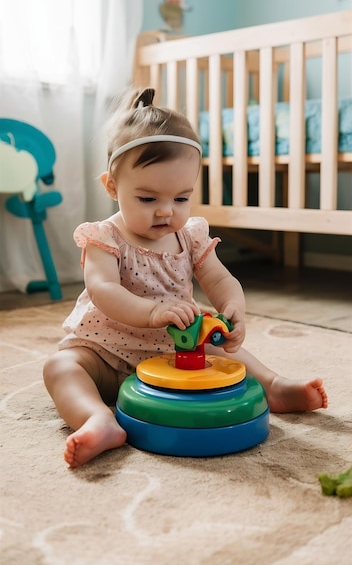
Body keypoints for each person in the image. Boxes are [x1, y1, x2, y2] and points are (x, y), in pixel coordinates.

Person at [43, 87, 328, 468]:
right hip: (104, 354)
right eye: (148, 199)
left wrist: (233, 307)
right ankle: (97, 419)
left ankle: (275, 388)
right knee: (60, 367)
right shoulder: (103, 237)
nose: (166, 212)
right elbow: (103, 289)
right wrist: (152, 312)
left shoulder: (189, 235)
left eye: (180, 198)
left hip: (179, 348)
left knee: (226, 351)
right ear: (112, 187)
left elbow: (220, 278)